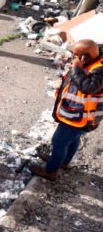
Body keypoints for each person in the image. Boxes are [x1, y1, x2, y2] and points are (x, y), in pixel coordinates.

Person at [30, 40, 103, 182]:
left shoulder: (99, 70)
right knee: (72, 139)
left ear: (85, 57)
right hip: (76, 114)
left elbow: (87, 87)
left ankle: (50, 170)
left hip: (78, 116)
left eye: (75, 55)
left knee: (59, 141)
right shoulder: (90, 63)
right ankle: (63, 161)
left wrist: (76, 68)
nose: (72, 57)